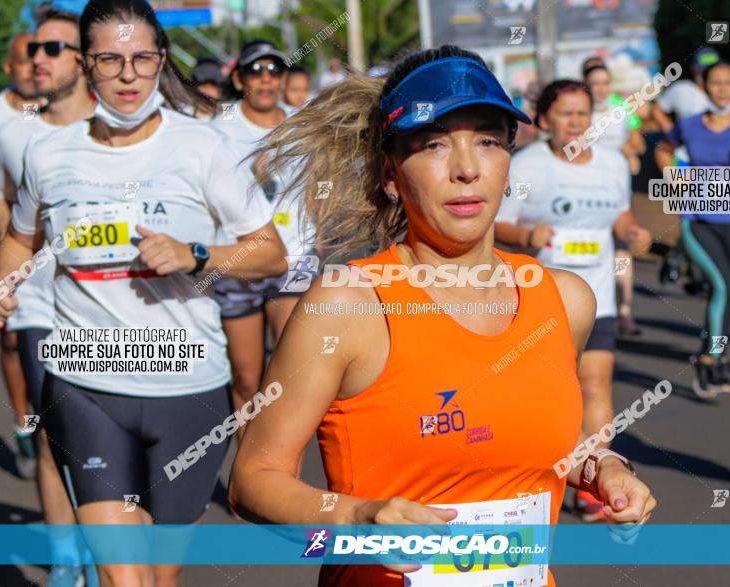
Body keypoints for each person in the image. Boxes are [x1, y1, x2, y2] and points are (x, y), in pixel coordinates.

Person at [230, 46, 656, 586]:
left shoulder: (565, 298)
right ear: (390, 171)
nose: (466, 169)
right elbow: (252, 481)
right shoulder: (348, 305)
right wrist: (355, 518)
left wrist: (604, 468)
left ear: (508, 158)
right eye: (433, 144)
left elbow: (533, 437)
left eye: (486, 140)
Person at [0, 1, 287, 585]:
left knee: (160, 576)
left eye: (142, 58)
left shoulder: (202, 147)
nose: (128, 74)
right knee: (124, 579)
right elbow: (21, 239)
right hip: (86, 381)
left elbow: (270, 250)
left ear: (161, 61)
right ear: (86, 66)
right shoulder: (46, 154)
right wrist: (4, 283)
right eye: (110, 59)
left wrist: (196, 255)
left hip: (188, 386)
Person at [494, 79, 652, 521]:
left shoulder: (612, 164)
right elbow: (497, 222)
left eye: (583, 113)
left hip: (597, 293)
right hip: (543, 299)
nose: (576, 123)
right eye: (566, 114)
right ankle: (533, 473)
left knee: (596, 384)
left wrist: (632, 232)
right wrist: (527, 235)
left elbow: (620, 214)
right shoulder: (525, 167)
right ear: (545, 119)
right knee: (544, 393)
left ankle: (593, 481)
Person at [0, 8, 98, 587]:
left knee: (112, 441)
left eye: (54, 48)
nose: (38, 59)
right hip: (41, 309)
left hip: (113, 311)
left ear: (83, 59)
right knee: (55, 438)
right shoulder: (11, 130)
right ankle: (65, 558)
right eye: (35, 50)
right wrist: (20, 260)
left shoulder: (119, 123)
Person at [212, 39, 303, 417]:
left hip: (295, 256)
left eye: (274, 70)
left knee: (291, 377)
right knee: (248, 381)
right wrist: (247, 174)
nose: (265, 79)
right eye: (254, 70)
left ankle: (280, 469)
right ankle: (247, 470)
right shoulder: (219, 129)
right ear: (238, 77)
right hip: (241, 260)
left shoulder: (303, 124)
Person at [655, 62, 730, 399]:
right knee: (723, 287)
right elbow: (663, 149)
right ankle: (713, 358)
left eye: (729, 83)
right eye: (716, 83)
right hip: (698, 221)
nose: (723, 89)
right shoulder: (691, 125)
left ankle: (710, 350)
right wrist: (674, 178)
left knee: (729, 291)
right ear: (704, 87)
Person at [0, 31, 41, 480]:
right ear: (9, 67)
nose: (33, 67)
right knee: (10, 339)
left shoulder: (64, 116)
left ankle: (53, 431)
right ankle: (25, 424)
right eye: (24, 59)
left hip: (58, 258)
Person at [582, 63, 647, 336]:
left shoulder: (622, 107)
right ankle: (589, 313)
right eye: (595, 83)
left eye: (604, 82)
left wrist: (629, 152)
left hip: (617, 189)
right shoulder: (578, 110)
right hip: (585, 189)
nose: (600, 88)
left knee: (622, 250)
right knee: (588, 250)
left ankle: (625, 312)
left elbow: (639, 143)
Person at [652, 48, 719, 134]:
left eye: (711, 72)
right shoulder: (681, 88)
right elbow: (657, 109)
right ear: (693, 68)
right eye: (703, 72)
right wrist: (672, 134)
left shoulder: (725, 90)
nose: (707, 76)